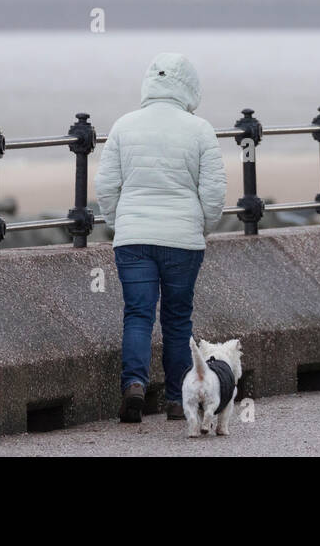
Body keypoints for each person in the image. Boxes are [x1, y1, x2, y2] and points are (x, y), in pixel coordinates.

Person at [95, 52, 227, 423]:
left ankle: (134, 384)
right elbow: (214, 190)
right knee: (177, 319)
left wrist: (119, 223)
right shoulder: (199, 129)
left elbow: (106, 185)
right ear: (190, 88)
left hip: (134, 239)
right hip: (182, 241)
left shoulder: (124, 125)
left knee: (137, 314)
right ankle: (175, 398)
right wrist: (202, 227)